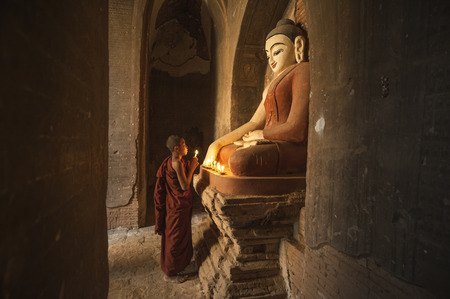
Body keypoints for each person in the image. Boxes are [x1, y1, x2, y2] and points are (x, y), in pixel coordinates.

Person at [204, 19, 309, 176]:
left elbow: (297, 129)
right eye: (268, 56)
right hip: (268, 141)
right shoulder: (272, 85)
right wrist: (217, 144)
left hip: (290, 145)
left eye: (277, 52)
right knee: (225, 152)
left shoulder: (302, 71)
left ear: (298, 46)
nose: (271, 60)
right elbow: (254, 122)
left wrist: (262, 135)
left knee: (241, 160)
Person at [154, 135, 199, 283]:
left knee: (178, 237)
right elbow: (184, 186)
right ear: (176, 148)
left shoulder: (170, 161)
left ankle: (179, 265)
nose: (186, 146)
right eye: (184, 144)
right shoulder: (177, 163)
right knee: (175, 238)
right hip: (177, 206)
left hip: (175, 204)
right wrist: (192, 168)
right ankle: (170, 273)